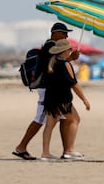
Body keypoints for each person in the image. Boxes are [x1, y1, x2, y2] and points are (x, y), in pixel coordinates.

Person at [12, 22, 79, 160]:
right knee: (40, 120)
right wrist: (70, 58)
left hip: (52, 90)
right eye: (64, 32)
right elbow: (55, 65)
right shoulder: (51, 47)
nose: (66, 35)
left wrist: (70, 58)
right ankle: (22, 147)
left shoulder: (51, 46)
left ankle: (67, 150)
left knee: (61, 119)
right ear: (55, 33)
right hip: (47, 90)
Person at [41, 39, 91, 160]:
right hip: (62, 99)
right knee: (75, 119)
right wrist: (84, 99)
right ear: (65, 51)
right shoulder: (65, 64)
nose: (71, 51)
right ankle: (69, 150)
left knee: (49, 125)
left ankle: (45, 153)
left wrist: (71, 59)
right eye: (70, 49)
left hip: (50, 98)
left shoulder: (52, 62)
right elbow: (74, 84)